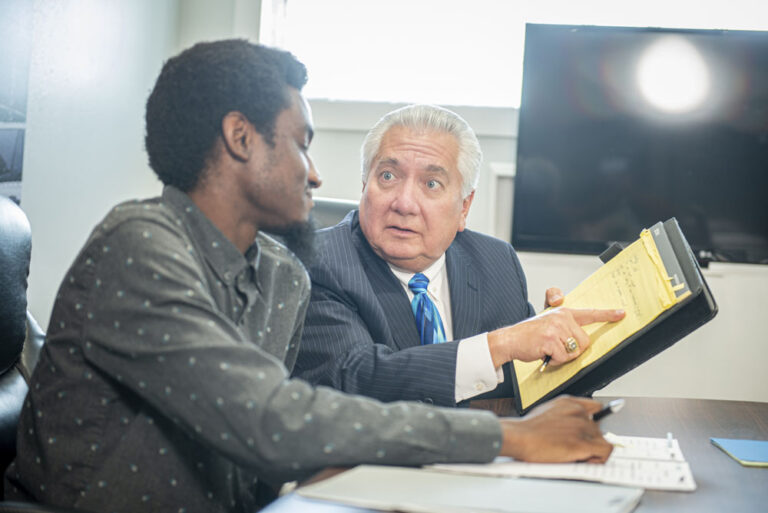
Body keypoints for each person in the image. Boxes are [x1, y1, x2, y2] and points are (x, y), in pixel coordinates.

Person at [6, 40, 615, 513]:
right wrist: (507, 439)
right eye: (302, 143)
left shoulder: (276, 270)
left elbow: (294, 428)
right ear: (240, 139)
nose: (316, 174)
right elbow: (276, 418)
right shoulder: (139, 245)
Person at [293, 104, 625, 406]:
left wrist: (559, 347)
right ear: (364, 185)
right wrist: (501, 344)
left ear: (464, 206)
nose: (404, 203)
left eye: (432, 184)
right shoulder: (318, 262)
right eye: (388, 176)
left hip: (489, 456)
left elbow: (520, 384)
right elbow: (356, 379)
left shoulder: (496, 263)